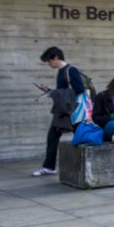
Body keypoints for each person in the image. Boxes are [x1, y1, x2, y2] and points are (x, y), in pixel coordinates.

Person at [34, 46, 85, 176]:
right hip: (64, 111)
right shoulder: (61, 71)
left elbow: (79, 89)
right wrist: (48, 90)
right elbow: (63, 93)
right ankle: (49, 167)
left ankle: (85, 165)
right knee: (53, 137)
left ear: (56, 57)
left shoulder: (70, 70)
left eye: (49, 61)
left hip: (72, 111)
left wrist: (55, 92)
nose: (49, 64)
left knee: (81, 137)